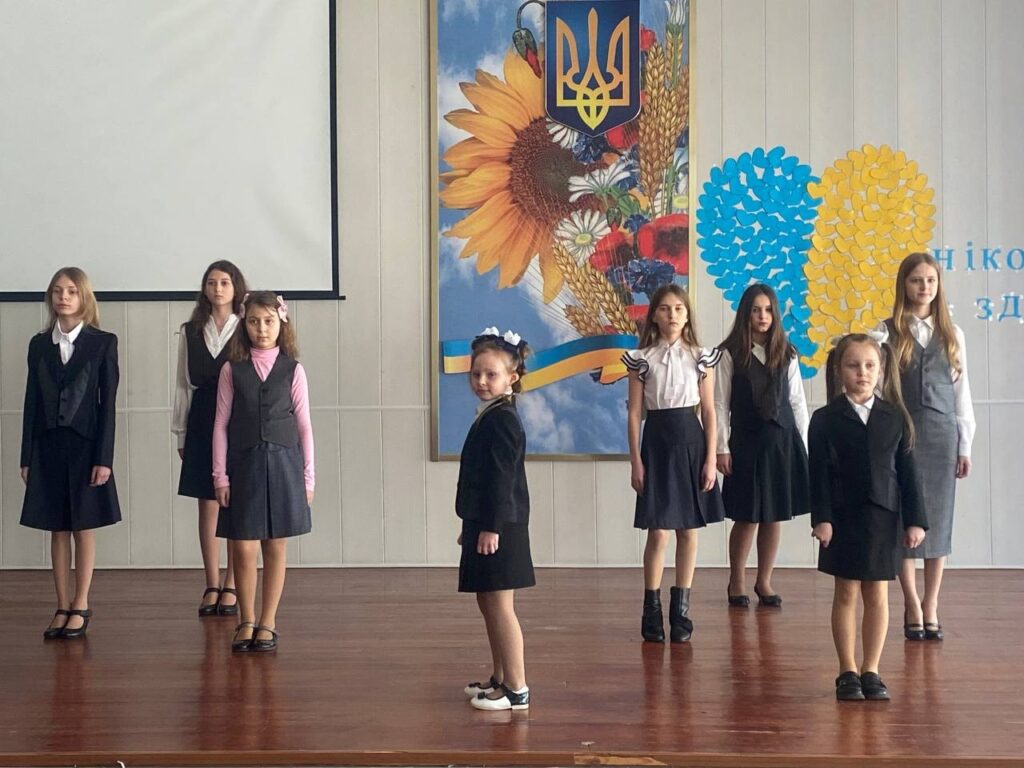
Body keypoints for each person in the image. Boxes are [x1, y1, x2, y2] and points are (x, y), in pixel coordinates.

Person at [810, 334, 927, 701]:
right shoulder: (825, 419)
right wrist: (822, 518)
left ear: (881, 370)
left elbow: (909, 473)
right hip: (842, 518)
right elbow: (818, 475)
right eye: (853, 365)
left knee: (877, 592)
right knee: (845, 591)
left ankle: (871, 669)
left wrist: (916, 520)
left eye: (869, 365)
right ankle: (847, 670)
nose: (862, 372)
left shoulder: (896, 417)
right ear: (838, 369)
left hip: (883, 516)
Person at [873, 252, 975, 641]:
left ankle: (931, 603)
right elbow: (878, 391)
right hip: (903, 435)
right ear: (904, 284)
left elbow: (962, 393)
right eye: (917, 280)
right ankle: (911, 603)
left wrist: (965, 445)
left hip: (942, 435)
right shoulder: (886, 332)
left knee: (939, 521)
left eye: (930, 280)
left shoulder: (953, 334)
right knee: (904, 518)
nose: (924, 287)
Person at [20, 267, 121, 639]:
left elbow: (107, 406)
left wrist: (104, 458)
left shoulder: (102, 343)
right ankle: (62, 604)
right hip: (48, 446)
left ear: (84, 297)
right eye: (58, 291)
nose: (63, 297)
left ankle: (81, 603)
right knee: (57, 527)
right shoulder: (38, 344)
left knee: (83, 525)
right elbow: (31, 402)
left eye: (72, 291)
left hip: (85, 447)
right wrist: (26, 456)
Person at [622, 284, 725, 643]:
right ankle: (651, 607)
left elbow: (709, 411)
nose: (672, 315)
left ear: (687, 314)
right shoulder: (642, 359)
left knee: (688, 530)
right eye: (665, 308)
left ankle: (681, 610)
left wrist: (710, 458)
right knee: (659, 530)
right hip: (657, 443)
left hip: (691, 442)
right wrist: (636, 460)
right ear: (654, 315)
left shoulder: (701, 357)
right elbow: (634, 413)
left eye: (679, 308)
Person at [212, 291, 313, 652]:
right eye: (254, 321)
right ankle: (246, 619)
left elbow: (304, 426)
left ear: (281, 323)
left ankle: (267, 621)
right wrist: (220, 476)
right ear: (244, 324)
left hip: (284, 465)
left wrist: (308, 478)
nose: (262, 328)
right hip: (244, 466)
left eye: (269, 321)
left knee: (275, 545)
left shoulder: (293, 369)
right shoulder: (232, 370)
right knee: (242, 546)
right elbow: (221, 424)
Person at [715, 284, 810, 608]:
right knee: (747, 515)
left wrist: (804, 445)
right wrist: (722, 447)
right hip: (746, 443)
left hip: (782, 442)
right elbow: (719, 403)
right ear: (746, 313)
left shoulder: (787, 352)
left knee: (774, 515)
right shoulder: (729, 353)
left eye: (768, 310)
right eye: (756, 310)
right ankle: (737, 580)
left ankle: (764, 580)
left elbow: (797, 401)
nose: (762, 316)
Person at [457, 327, 534, 711]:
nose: (482, 381)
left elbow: (502, 480)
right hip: (485, 523)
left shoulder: (503, 419)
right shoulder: (490, 415)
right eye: (476, 374)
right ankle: (500, 677)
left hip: (501, 527)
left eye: (491, 375)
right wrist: (471, 524)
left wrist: (491, 526)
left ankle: (517, 688)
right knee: (487, 600)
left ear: (511, 378)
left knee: (501, 606)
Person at [172, 260, 248, 617]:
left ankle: (232, 583)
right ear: (204, 288)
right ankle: (212, 583)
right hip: (202, 418)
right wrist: (181, 431)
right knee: (207, 503)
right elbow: (182, 384)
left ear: (236, 288)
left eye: (225, 282)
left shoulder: (246, 326)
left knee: (236, 502)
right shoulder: (191, 330)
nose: (218, 289)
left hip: (239, 418)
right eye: (212, 282)